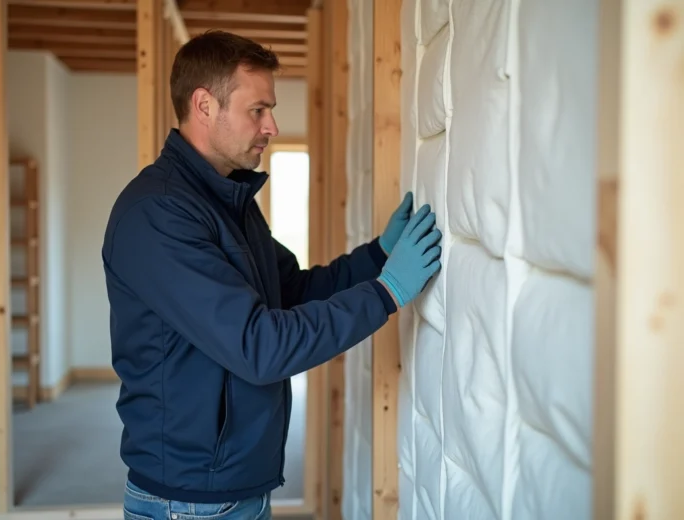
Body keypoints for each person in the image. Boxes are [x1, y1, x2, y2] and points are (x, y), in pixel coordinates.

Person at [102, 30, 442, 520]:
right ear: (204, 105)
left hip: (232, 489)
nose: (272, 126)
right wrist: (387, 292)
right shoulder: (158, 215)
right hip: (190, 502)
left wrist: (378, 256)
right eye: (257, 110)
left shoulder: (227, 200)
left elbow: (293, 292)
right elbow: (260, 347)